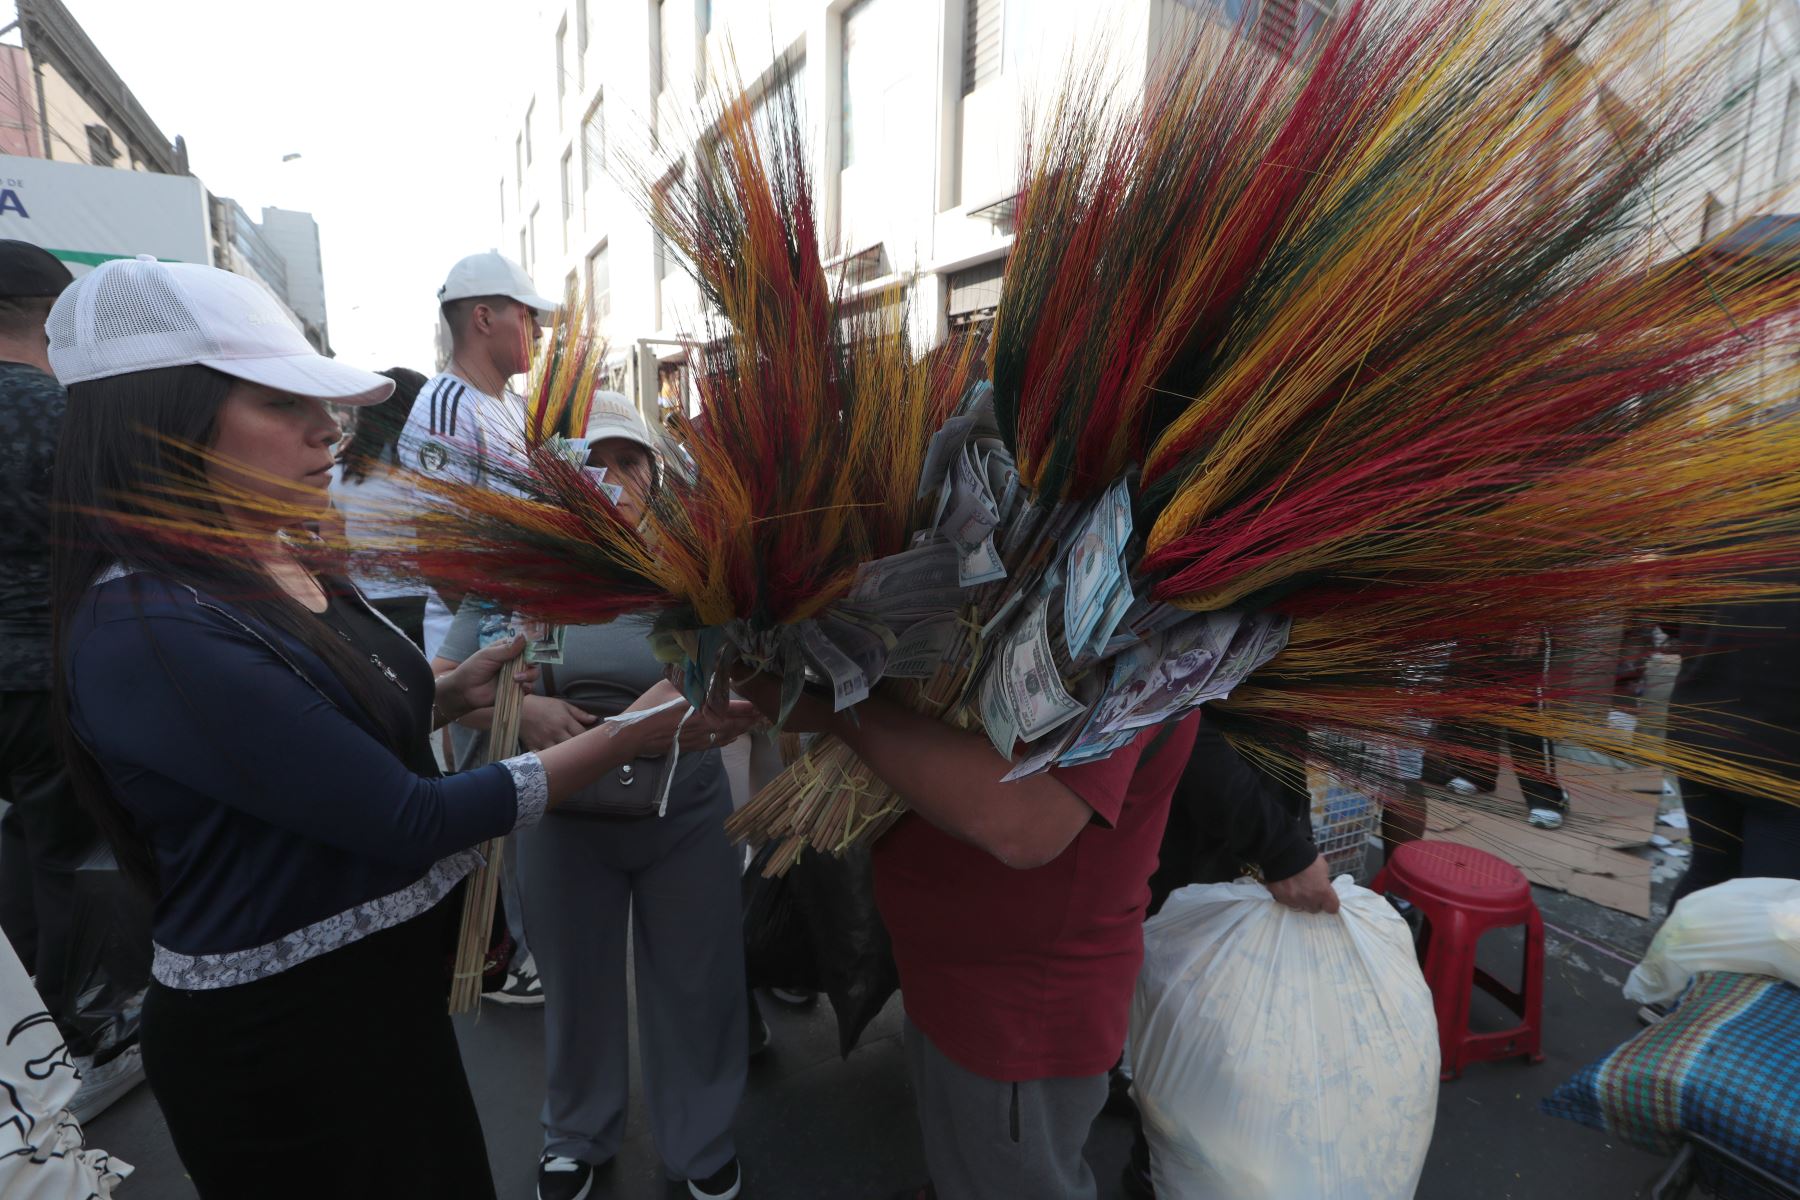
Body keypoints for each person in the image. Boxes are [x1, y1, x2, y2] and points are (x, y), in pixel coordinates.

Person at [46, 256, 755, 1199]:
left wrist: (457, 692)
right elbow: (407, 816)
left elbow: (329, 724)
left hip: (385, 1013)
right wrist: (628, 734)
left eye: (323, 404)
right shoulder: (149, 627)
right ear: (161, 425)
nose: (327, 430)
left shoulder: (279, 565)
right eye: (280, 403)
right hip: (284, 1047)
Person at [439, 393, 749, 1200]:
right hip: (560, 814)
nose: (610, 479)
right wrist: (525, 708)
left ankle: (702, 1138)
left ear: (654, 473)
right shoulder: (520, 559)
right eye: (591, 463)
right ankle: (575, 1131)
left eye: (627, 461)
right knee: (574, 983)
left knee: (697, 978)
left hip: (683, 809)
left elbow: (748, 669)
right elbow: (443, 685)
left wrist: (702, 705)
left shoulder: (696, 561)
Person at [730, 668, 1200, 1200]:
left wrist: (837, 713)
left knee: (1008, 1176)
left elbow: (1026, 823)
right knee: (964, 1164)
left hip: (1016, 1014)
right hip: (947, 978)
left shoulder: (1133, 635)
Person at [0, 240, 150, 1119]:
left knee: (20, 856)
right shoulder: (63, 418)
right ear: (53, 319)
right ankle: (84, 1035)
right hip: (50, 668)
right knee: (75, 856)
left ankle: (26, 1037)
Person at [406, 249, 557, 999]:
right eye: (527, 314)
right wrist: (492, 644)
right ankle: (504, 956)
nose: (536, 330)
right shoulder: (446, 405)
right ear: (484, 316)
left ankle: (521, 947)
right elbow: (438, 552)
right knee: (493, 804)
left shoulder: (506, 410)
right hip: (475, 652)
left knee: (519, 802)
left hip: (519, 636)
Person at [1666, 589, 1800, 905]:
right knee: (1767, 903)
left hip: (1701, 730)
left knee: (1710, 872)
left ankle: (1667, 955)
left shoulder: (1709, 540)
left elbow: (1667, 615)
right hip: (1783, 757)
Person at [326, 366, 443, 649]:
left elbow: (331, 551)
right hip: (431, 606)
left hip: (366, 606)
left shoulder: (337, 474)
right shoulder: (436, 473)